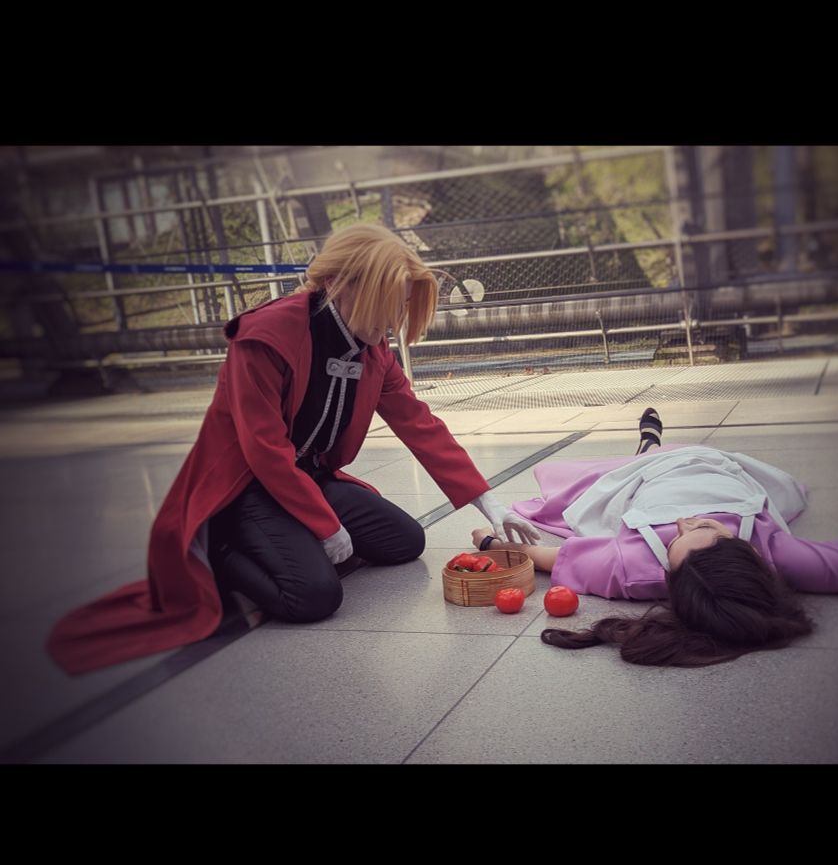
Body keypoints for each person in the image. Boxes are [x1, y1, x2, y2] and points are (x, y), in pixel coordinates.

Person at [48, 223, 539, 675]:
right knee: (313, 597)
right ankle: (221, 550)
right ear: (346, 288)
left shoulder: (371, 349)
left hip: (309, 478)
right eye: (390, 303)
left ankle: (289, 541)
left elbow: (419, 423)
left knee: (404, 541)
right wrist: (325, 527)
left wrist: (486, 499)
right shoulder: (265, 336)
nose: (395, 320)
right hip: (246, 487)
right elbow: (261, 449)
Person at [472, 409, 838, 670]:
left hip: (645, 480)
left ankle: (649, 446)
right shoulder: (775, 552)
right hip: (716, 464)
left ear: (667, 575)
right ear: (748, 555)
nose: (686, 522)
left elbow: (545, 557)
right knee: (658, 453)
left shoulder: (632, 568)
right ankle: (651, 442)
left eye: (688, 533)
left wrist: (491, 545)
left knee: (615, 470)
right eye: (704, 528)